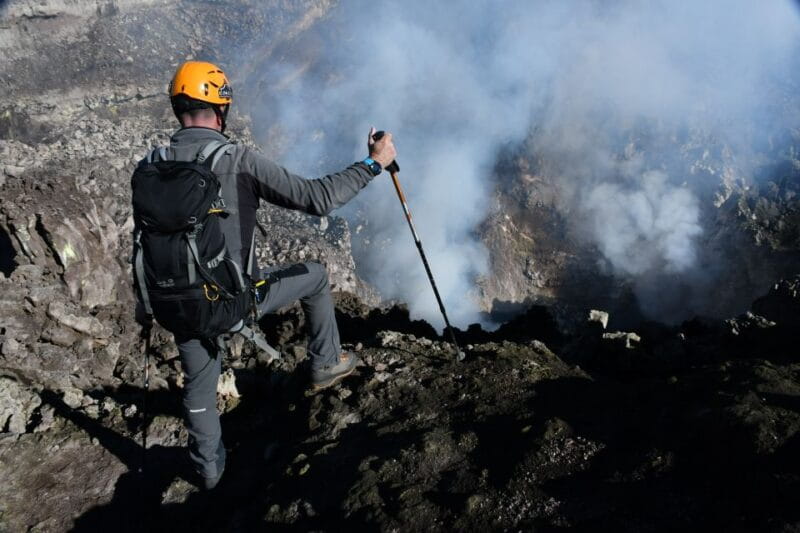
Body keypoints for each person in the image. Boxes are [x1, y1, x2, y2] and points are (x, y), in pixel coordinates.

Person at [134, 60, 396, 490]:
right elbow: (317, 198)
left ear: (178, 107)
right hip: (235, 302)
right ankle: (326, 363)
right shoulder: (237, 160)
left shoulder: (149, 166)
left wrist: (146, 306)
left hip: (172, 304)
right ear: (221, 110)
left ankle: (210, 475)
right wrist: (373, 163)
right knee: (313, 274)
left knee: (198, 386)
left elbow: (145, 244)